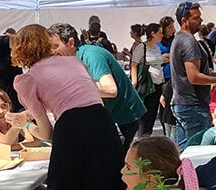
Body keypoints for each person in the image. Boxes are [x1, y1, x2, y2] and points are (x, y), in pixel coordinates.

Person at [10, 25, 131, 190]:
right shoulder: (73, 62)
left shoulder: (27, 80)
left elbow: (46, 132)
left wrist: (24, 124)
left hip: (72, 132)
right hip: (103, 126)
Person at [51, 22, 147, 151]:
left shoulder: (91, 55)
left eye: (55, 46)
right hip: (106, 119)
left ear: (71, 42)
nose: (51, 51)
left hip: (122, 119)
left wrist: (75, 86)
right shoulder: (73, 60)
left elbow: (110, 89)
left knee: (116, 165)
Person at [169, 3, 216, 148]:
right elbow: (194, 77)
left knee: (185, 152)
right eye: (196, 18)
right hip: (193, 105)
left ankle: (184, 172)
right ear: (184, 20)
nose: (200, 20)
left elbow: (193, 72)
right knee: (200, 151)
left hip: (183, 104)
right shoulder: (188, 41)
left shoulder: (179, 38)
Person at [133, 23, 167, 137]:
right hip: (146, 86)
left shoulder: (157, 47)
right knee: (145, 117)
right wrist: (134, 82)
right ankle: (142, 140)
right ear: (153, 34)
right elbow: (134, 64)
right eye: (160, 33)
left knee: (152, 115)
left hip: (157, 86)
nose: (162, 35)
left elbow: (158, 61)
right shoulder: (141, 47)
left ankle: (146, 139)